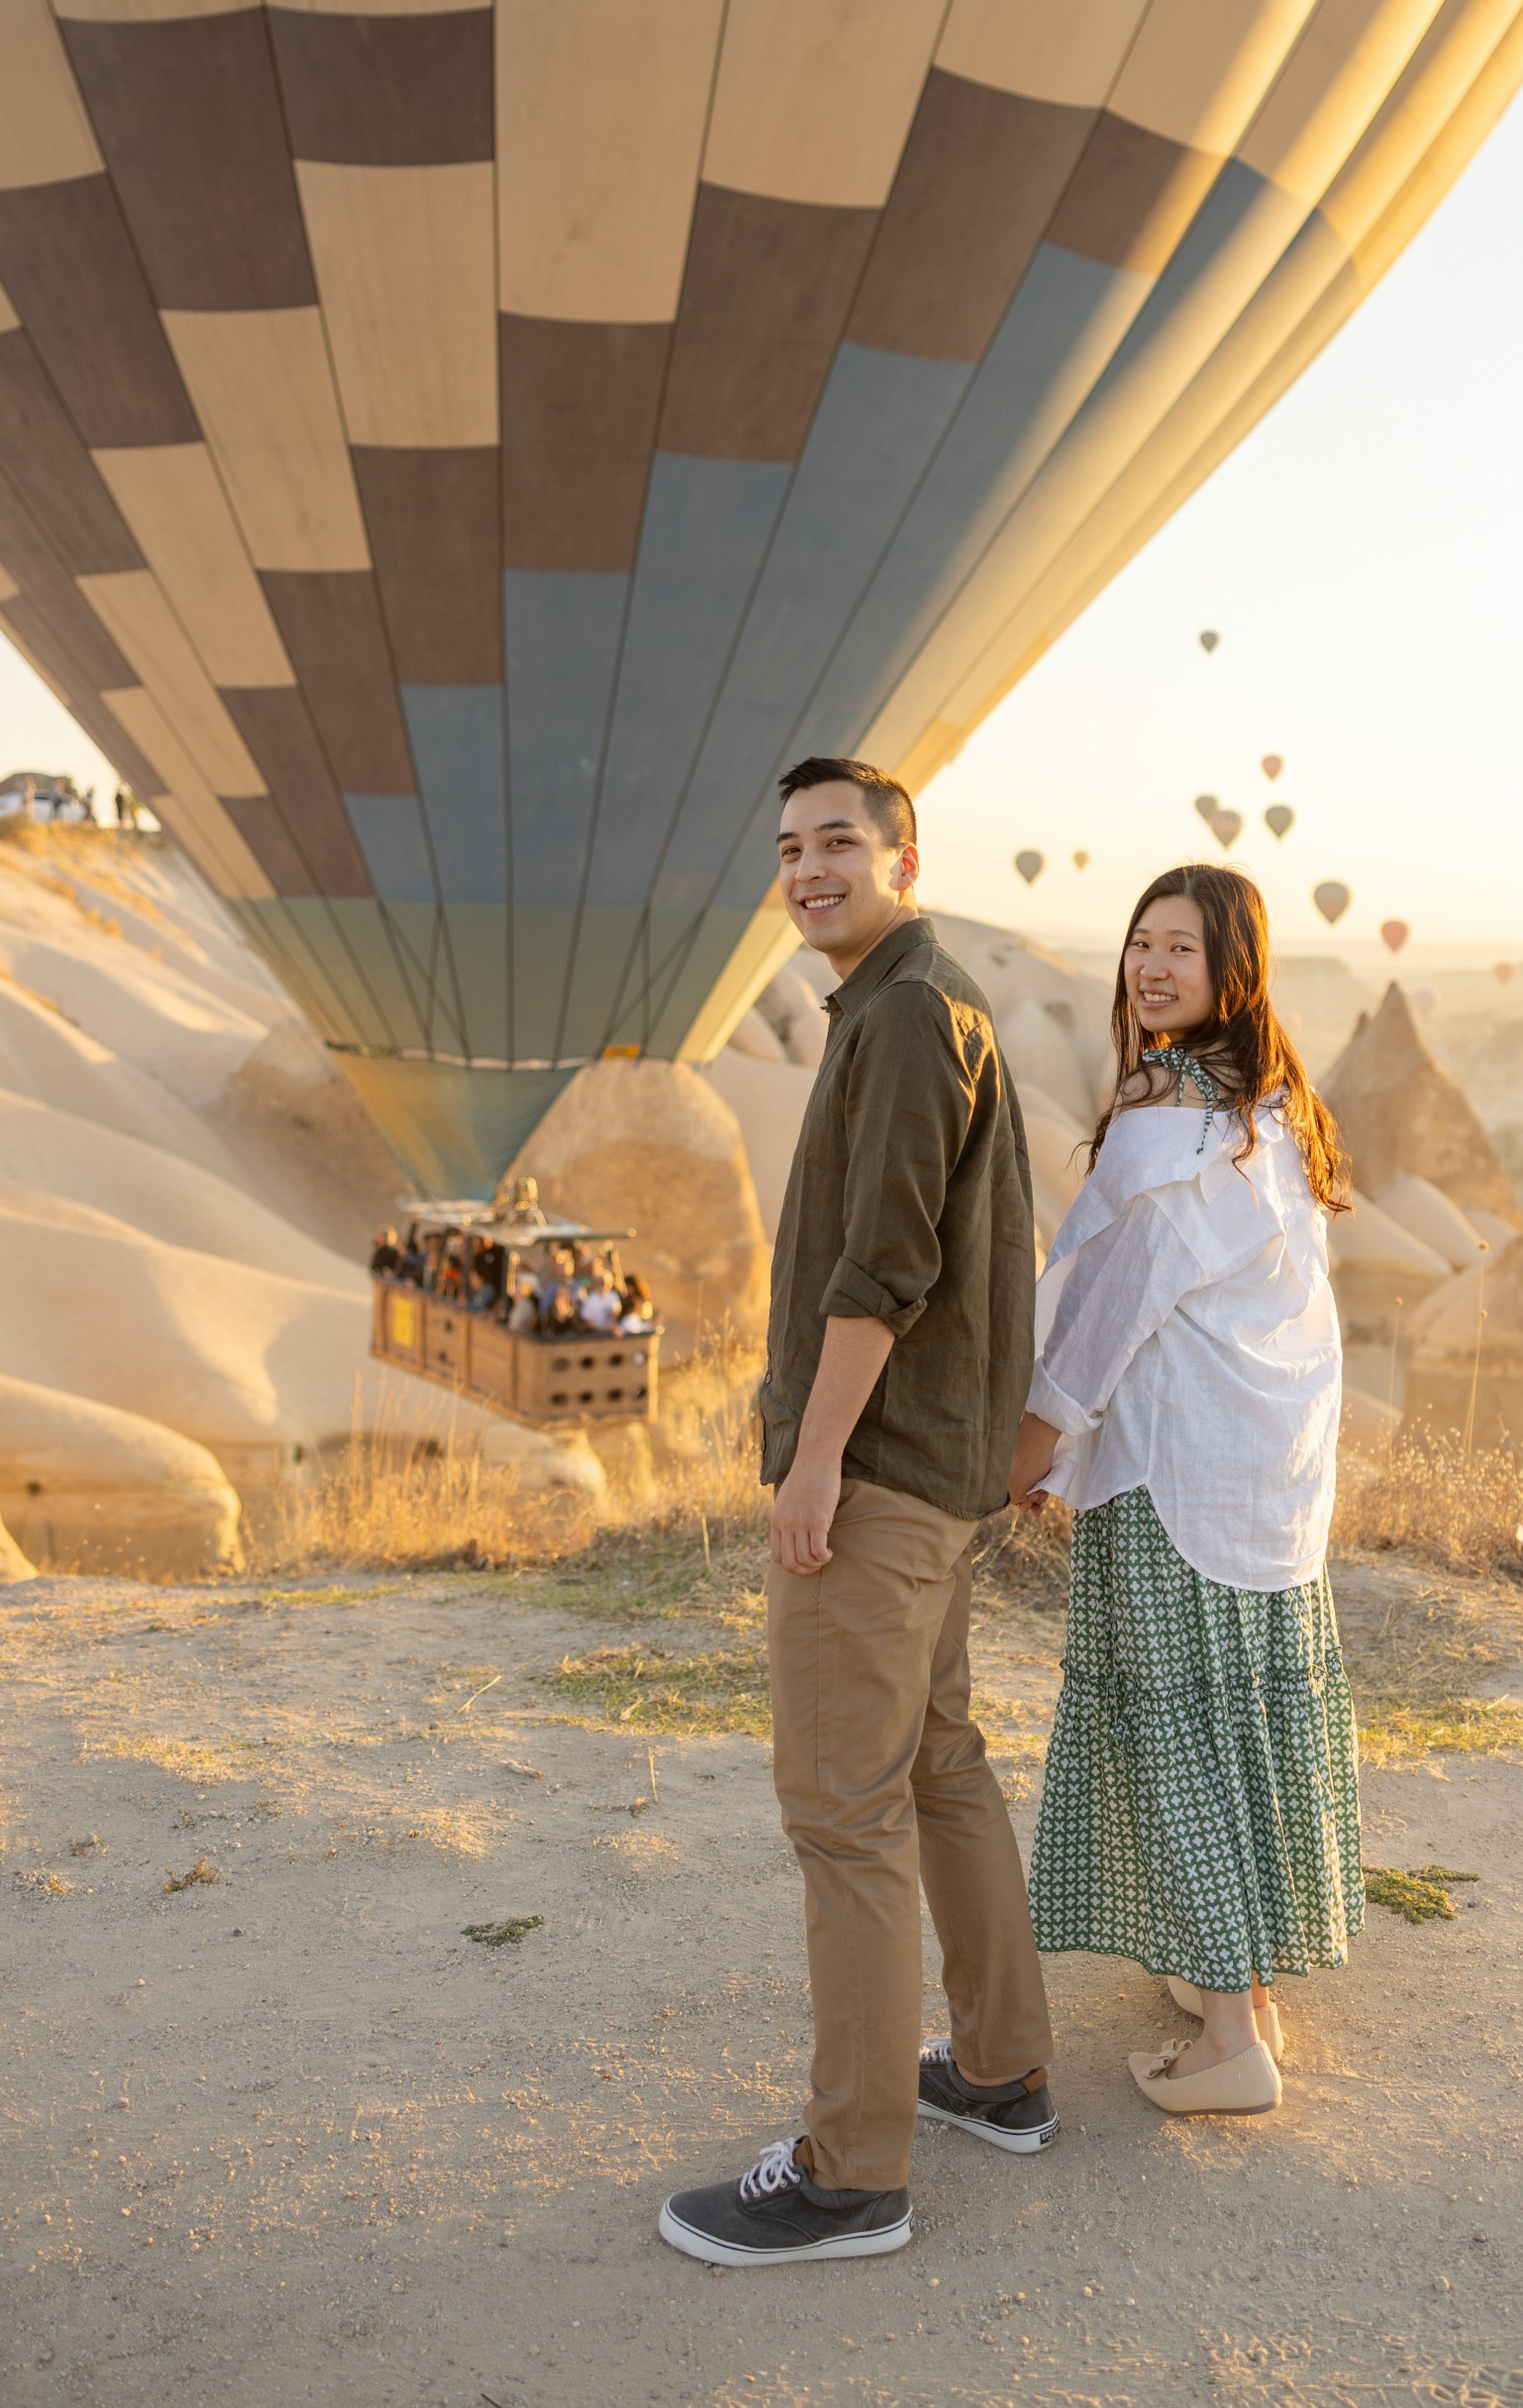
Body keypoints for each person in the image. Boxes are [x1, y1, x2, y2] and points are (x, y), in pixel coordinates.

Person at [659, 755, 1054, 2269]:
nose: (807, 868)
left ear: (903, 852)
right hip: (941, 1470)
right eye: (788, 847)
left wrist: (814, 1460)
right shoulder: (922, 999)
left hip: (879, 1473)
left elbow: (882, 1266)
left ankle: (851, 2171)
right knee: (940, 1765)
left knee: (841, 1811)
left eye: (837, 842)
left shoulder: (897, 1016)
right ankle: (1004, 2069)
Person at [1010, 861, 1364, 2120]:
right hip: (1257, 1475)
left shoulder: (1169, 1110)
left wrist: (1032, 1446)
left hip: (1168, 1473)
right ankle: (1246, 1987)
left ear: (1231, 971)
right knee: (1237, 1717)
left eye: (1180, 949)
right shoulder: (1265, 1102)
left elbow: (1108, 1310)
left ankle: (1226, 2042)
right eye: (1138, 944)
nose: (1151, 968)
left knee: (1175, 1724)